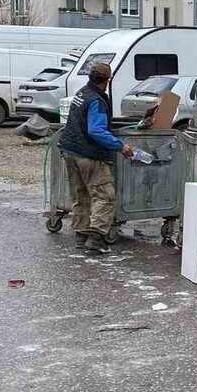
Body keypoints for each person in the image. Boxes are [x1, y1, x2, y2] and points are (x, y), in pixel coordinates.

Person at [58, 62, 133, 253]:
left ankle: (81, 236)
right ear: (106, 81)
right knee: (104, 196)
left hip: (70, 151)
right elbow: (96, 130)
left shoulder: (82, 93)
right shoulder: (97, 101)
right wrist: (120, 146)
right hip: (89, 155)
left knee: (81, 195)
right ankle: (96, 238)